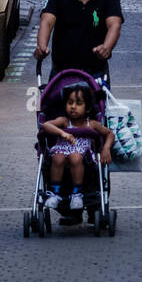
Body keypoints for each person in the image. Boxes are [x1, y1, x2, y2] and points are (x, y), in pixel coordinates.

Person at [35, 0, 124, 84]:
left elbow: (114, 24)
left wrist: (106, 47)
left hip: (96, 73)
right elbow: (47, 21)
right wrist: (42, 46)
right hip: (62, 74)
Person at [42, 82, 115, 215]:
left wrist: (106, 148)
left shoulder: (91, 124)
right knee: (57, 158)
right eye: (70, 102)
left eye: (78, 103)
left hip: (82, 153)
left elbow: (109, 133)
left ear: (87, 108)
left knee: (75, 157)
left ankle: (77, 193)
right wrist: (62, 133)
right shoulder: (64, 121)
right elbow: (46, 125)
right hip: (62, 150)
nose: (73, 107)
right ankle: (55, 193)